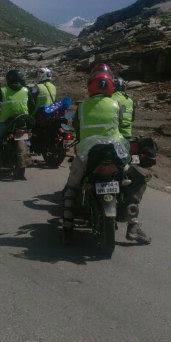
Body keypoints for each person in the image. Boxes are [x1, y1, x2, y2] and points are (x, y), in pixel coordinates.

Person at [62, 71, 150, 244]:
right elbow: (122, 124)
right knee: (134, 179)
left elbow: (76, 127)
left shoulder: (82, 107)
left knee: (71, 188)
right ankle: (133, 225)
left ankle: (67, 227)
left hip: (88, 155)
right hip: (115, 153)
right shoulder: (117, 104)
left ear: (90, 86)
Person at [0, 69, 29, 169]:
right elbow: (32, 105)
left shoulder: (3, 91)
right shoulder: (26, 90)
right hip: (22, 121)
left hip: (6, 123)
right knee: (27, 139)